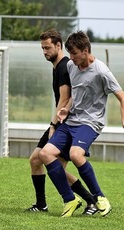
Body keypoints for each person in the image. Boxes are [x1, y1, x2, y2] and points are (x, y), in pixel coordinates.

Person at [39, 30, 124, 217]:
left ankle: (100, 198)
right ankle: (69, 199)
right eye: (70, 53)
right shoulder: (71, 66)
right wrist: (67, 108)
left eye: (75, 53)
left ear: (86, 51)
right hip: (72, 120)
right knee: (45, 154)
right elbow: (74, 95)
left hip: (91, 122)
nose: (71, 58)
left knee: (75, 155)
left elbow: (121, 95)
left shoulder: (101, 71)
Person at [26, 29, 96, 214]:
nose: (44, 52)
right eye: (42, 48)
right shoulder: (57, 66)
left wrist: (53, 125)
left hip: (67, 124)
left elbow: (64, 99)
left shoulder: (65, 66)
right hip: (62, 122)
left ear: (58, 45)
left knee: (54, 167)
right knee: (36, 160)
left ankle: (91, 200)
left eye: (47, 47)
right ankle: (42, 204)